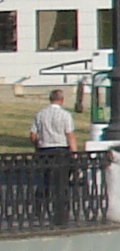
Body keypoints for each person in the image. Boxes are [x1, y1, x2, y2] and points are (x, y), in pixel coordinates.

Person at [29, 88, 75, 224]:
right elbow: (70, 135)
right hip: (61, 150)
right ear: (61, 100)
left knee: (44, 180)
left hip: (44, 150)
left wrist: (38, 145)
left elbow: (32, 135)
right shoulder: (65, 115)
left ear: (50, 99)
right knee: (61, 183)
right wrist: (74, 153)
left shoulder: (40, 114)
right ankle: (61, 209)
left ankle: (39, 209)